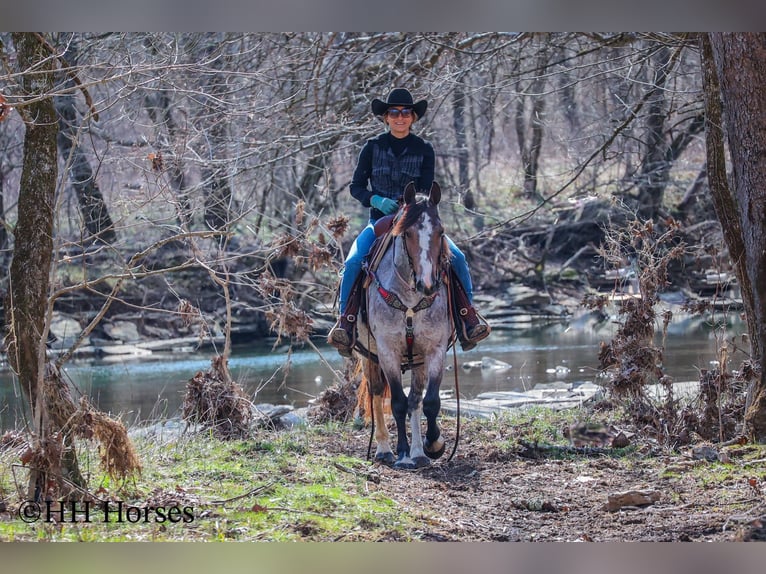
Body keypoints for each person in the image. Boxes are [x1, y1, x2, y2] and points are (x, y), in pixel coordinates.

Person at [328, 88, 490, 357]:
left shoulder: (424, 149)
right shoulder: (372, 147)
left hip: (416, 222)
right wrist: (376, 200)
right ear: (386, 118)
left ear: (413, 117)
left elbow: (427, 189)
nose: (400, 117)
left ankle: (468, 319)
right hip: (381, 221)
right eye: (394, 113)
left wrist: (410, 207)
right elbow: (356, 187)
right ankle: (346, 322)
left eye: (405, 113)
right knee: (354, 261)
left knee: (458, 259)